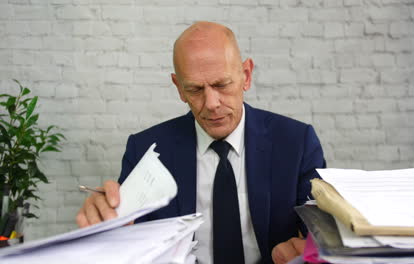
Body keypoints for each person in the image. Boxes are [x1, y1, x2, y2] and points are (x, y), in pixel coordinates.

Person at [76, 21, 326, 264]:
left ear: (246, 76)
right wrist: (108, 223)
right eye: (195, 90)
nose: (211, 103)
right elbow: (130, 242)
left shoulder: (296, 143)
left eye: (221, 84)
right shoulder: (144, 149)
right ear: (179, 89)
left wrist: (312, 248)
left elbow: (325, 234)